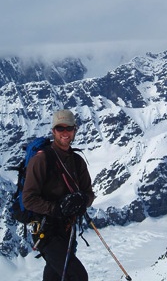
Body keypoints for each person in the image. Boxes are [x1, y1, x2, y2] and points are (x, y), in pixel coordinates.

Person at [22, 109, 95, 281]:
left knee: (55, 275)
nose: (65, 133)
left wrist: (82, 200)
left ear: (74, 130)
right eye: (60, 128)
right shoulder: (41, 160)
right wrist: (58, 208)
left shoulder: (78, 161)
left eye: (68, 128)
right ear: (53, 131)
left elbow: (89, 194)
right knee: (77, 276)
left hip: (68, 229)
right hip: (46, 230)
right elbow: (28, 199)